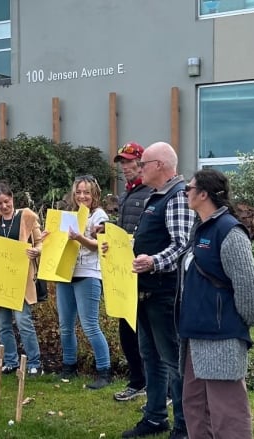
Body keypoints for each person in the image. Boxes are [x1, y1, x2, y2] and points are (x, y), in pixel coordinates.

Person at [122, 142, 193, 439]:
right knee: (150, 356)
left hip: (165, 294)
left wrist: (153, 261)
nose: (140, 168)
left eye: (145, 163)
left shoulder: (177, 197)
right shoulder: (156, 197)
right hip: (145, 291)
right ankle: (154, 417)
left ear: (161, 165)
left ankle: (184, 425)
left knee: (173, 360)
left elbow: (182, 244)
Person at [178, 169, 254, 438]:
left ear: (203, 194)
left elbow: (248, 287)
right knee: (195, 406)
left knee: (228, 415)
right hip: (195, 333)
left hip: (221, 336)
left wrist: (235, 322)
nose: (184, 192)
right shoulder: (200, 228)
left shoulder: (229, 231)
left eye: (189, 188)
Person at [0, 181, 43, 376]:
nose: (4, 206)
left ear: (12, 198)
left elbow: (40, 241)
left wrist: (35, 251)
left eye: (6, 201)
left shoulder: (26, 216)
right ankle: (10, 360)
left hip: (20, 279)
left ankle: (34, 362)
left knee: (23, 322)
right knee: (3, 324)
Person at [55, 175, 111, 389]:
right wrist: (48, 237)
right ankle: (69, 367)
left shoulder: (99, 216)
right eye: (78, 192)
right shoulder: (69, 214)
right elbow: (59, 243)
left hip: (88, 274)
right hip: (65, 273)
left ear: (94, 193)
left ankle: (104, 371)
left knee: (90, 326)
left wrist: (78, 237)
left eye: (86, 192)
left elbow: (99, 245)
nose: (82, 196)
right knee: (65, 326)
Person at [111, 142, 152, 402]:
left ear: (141, 162)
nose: (125, 167)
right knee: (126, 330)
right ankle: (137, 381)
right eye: (122, 162)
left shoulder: (151, 193)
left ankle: (158, 385)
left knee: (148, 332)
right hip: (124, 273)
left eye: (129, 162)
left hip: (145, 271)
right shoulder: (126, 194)